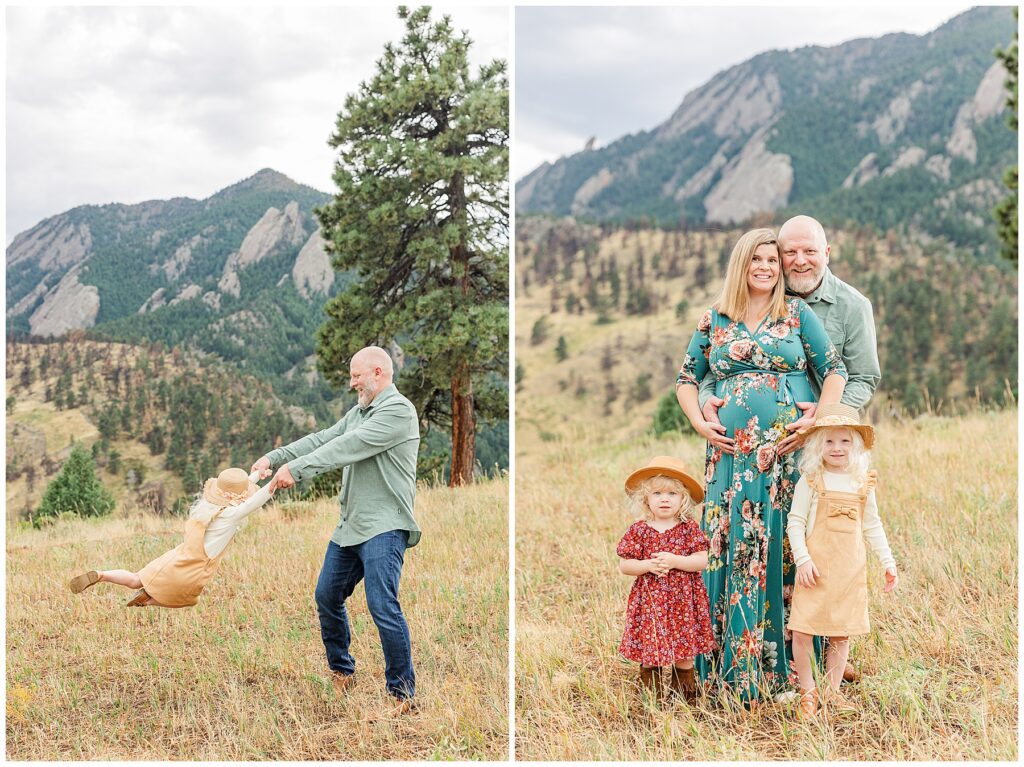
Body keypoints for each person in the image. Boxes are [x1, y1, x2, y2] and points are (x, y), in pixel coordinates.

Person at [697, 215, 881, 685]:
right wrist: (706, 404)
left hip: (824, 443)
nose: (796, 261)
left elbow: (861, 376)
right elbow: (708, 373)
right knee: (756, 543)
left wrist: (822, 418)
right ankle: (745, 650)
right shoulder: (755, 300)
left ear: (827, 252)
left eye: (809, 252)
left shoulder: (849, 306)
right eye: (787, 253)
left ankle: (821, 647)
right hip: (750, 450)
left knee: (818, 544)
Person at [675, 228, 847, 705]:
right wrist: (698, 420)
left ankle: (791, 671)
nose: (768, 268)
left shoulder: (795, 314)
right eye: (758, 260)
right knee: (730, 547)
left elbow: (835, 370)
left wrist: (820, 420)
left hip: (783, 458)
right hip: (729, 460)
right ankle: (726, 670)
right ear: (741, 264)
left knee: (782, 548)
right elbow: (687, 378)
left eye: (773, 260)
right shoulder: (716, 320)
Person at [251, 345, 420, 715]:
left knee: (382, 606)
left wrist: (298, 470)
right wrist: (275, 457)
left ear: (378, 373)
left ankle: (402, 694)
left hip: (384, 525)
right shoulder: (359, 411)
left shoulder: (397, 411)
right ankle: (342, 670)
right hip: (350, 527)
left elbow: (348, 446)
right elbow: (324, 438)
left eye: (357, 375)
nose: (352, 382)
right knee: (327, 596)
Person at [786, 403, 898, 718]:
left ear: (856, 445)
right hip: (814, 570)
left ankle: (831, 692)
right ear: (818, 445)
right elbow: (795, 522)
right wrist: (803, 559)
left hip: (850, 568)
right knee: (804, 630)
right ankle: (808, 691)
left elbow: (872, 524)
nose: (837, 448)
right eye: (829, 441)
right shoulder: (811, 480)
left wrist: (887, 562)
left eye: (845, 441)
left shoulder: (862, 482)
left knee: (841, 632)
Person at [69, 468, 275, 607]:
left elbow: (237, 487)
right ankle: (148, 600)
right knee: (188, 599)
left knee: (135, 579)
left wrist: (257, 474)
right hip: (191, 569)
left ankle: (102, 574)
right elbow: (252, 502)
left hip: (174, 557)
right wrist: (276, 482)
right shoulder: (230, 515)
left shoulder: (206, 507)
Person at [617, 456, 715, 705]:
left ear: (683, 499)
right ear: (645, 499)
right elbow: (625, 565)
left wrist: (675, 561)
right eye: (658, 493)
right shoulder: (639, 530)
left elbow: (701, 560)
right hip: (651, 603)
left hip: (683, 602)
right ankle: (653, 698)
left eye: (672, 493)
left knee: (684, 651)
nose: (664, 498)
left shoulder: (688, 529)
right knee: (652, 651)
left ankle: (686, 697)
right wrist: (647, 565)